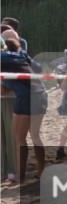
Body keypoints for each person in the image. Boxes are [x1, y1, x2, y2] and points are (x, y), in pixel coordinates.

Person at [1, 31, 46, 183]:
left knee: (19, 138)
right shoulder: (23, 55)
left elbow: (3, 90)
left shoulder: (3, 58)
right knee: (35, 135)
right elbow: (39, 69)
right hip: (41, 94)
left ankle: (20, 177)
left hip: (26, 97)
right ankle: (41, 171)